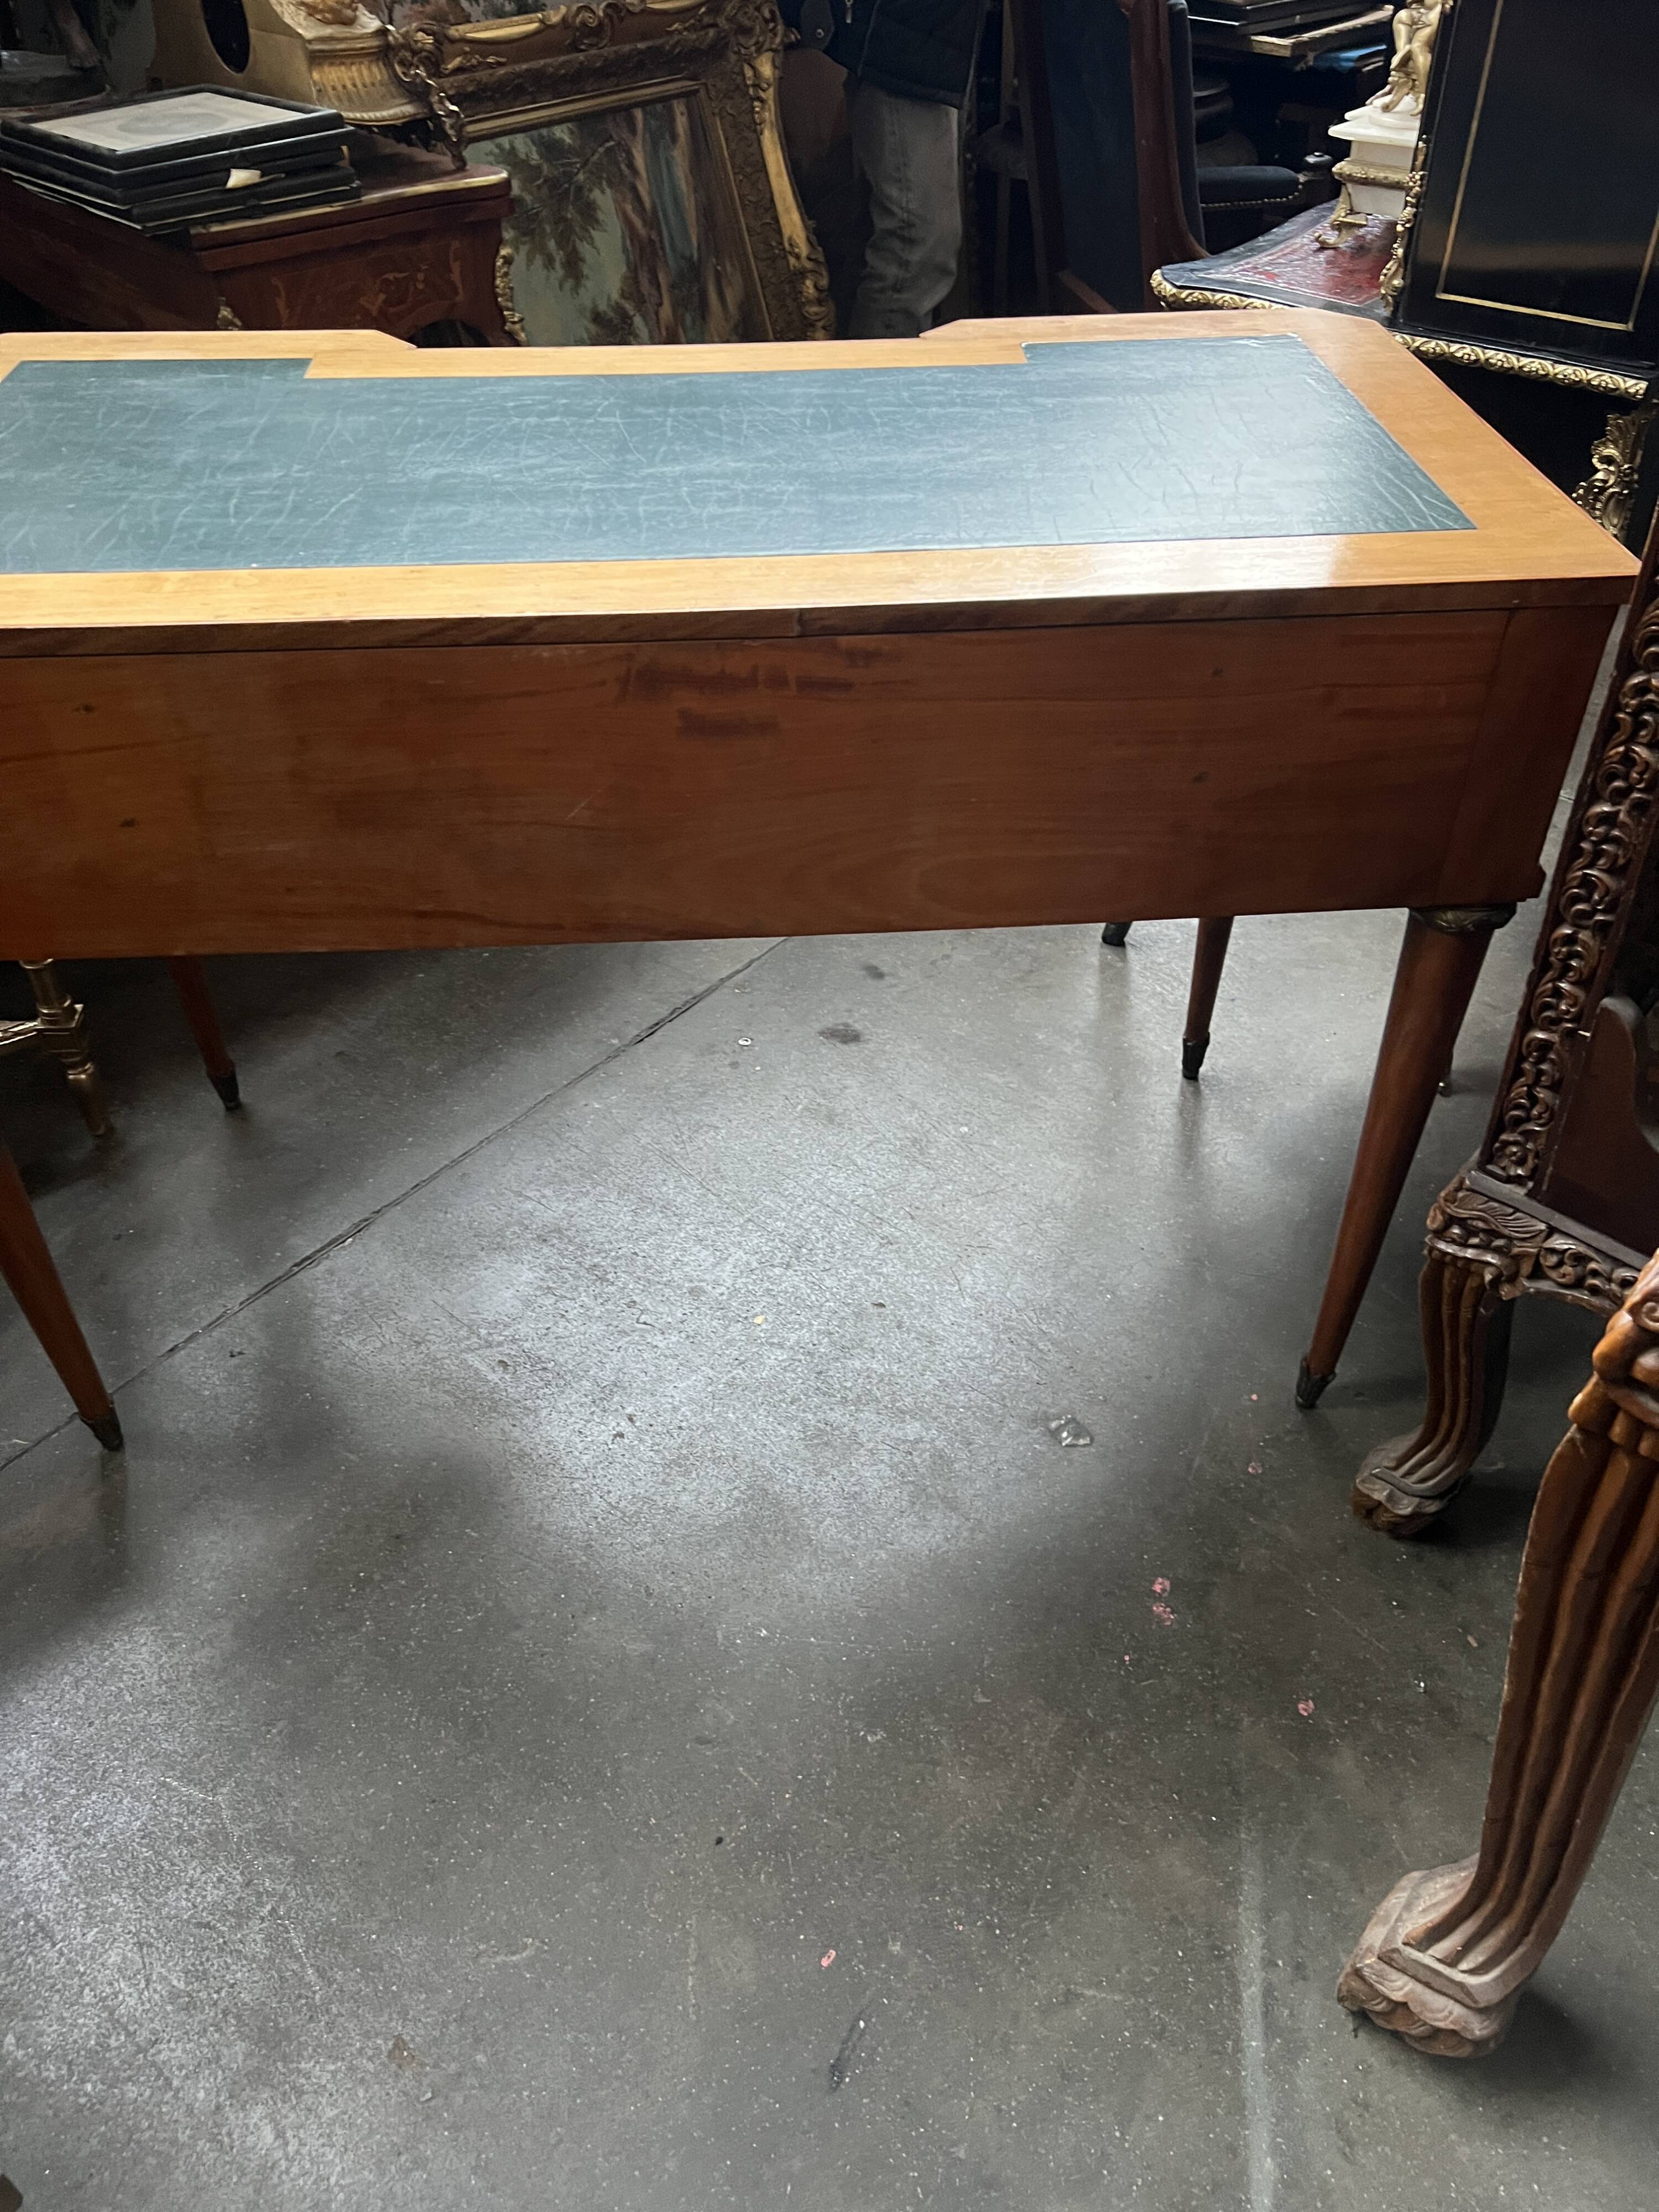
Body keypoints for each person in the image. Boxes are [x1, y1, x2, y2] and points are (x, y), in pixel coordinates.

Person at [789, 0, 984, 337]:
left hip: (913, 42)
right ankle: (882, 385)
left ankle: (876, 377)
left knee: (907, 245)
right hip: (902, 45)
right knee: (914, 249)